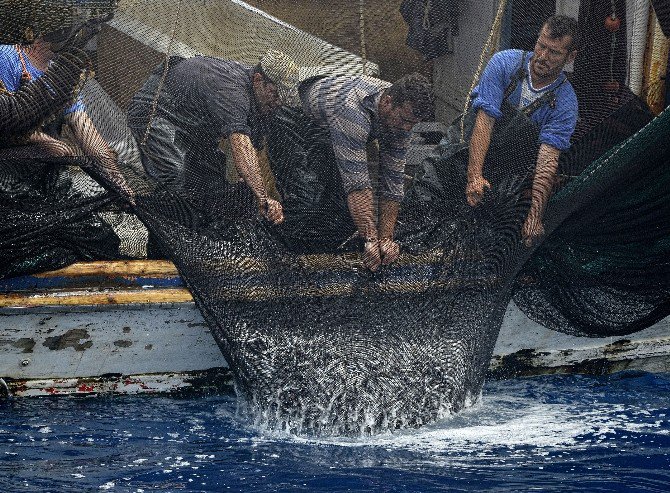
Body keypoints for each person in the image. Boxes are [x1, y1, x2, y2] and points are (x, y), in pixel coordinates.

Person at [127, 50, 300, 226]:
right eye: (276, 94)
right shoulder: (233, 91)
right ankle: (164, 235)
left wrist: (250, 188)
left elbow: (251, 156)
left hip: (192, 127)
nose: (279, 102)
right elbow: (242, 149)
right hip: (155, 111)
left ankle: (199, 229)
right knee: (175, 172)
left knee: (212, 180)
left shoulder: (260, 102)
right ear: (257, 80)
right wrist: (263, 199)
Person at [298, 73, 434, 271]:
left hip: (345, 124)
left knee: (350, 214)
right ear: (387, 102)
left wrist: (386, 239)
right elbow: (357, 184)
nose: (407, 128)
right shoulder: (352, 110)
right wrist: (370, 240)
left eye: (412, 124)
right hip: (303, 122)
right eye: (405, 120)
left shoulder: (400, 118)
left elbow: (393, 180)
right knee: (313, 202)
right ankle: (304, 266)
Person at [465, 15, 579, 247]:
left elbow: (548, 160)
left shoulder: (566, 103)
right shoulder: (504, 64)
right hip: (466, 152)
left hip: (510, 170)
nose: (543, 57)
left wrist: (535, 216)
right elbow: (485, 122)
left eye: (554, 53)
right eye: (541, 46)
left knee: (495, 235)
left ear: (570, 58)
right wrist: (474, 176)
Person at [0, 34, 135, 203]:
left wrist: (116, 178)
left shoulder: (60, 74)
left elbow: (86, 131)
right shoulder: (6, 57)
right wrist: (46, 142)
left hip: (46, 169)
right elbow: (7, 119)